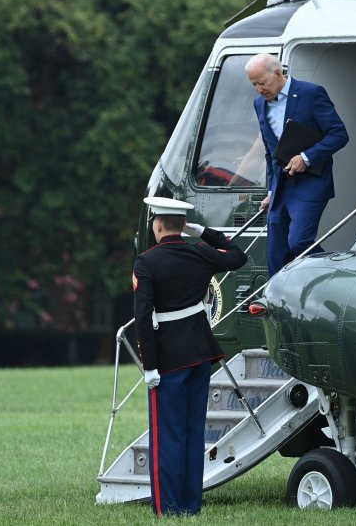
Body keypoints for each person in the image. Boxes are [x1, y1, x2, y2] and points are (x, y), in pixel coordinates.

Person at [133, 197, 248, 516]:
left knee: (166, 436)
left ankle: (168, 510)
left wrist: (150, 366)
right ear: (183, 225)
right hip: (200, 354)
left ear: (157, 224)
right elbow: (239, 256)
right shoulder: (199, 251)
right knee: (192, 432)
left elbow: (143, 317)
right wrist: (207, 233)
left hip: (168, 361)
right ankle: (190, 506)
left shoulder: (147, 262)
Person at [245, 53, 349, 276]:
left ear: (278, 73)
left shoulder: (311, 94)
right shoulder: (259, 104)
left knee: (300, 242)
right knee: (275, 255)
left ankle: (336, 275)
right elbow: (270, 152)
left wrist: (306, 157)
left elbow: (339, 134)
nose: (259, 89)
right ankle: (278, 306)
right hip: (280, 188)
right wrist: (272, 190)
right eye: (254, 84)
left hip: (311, 184)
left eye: (262, 83)